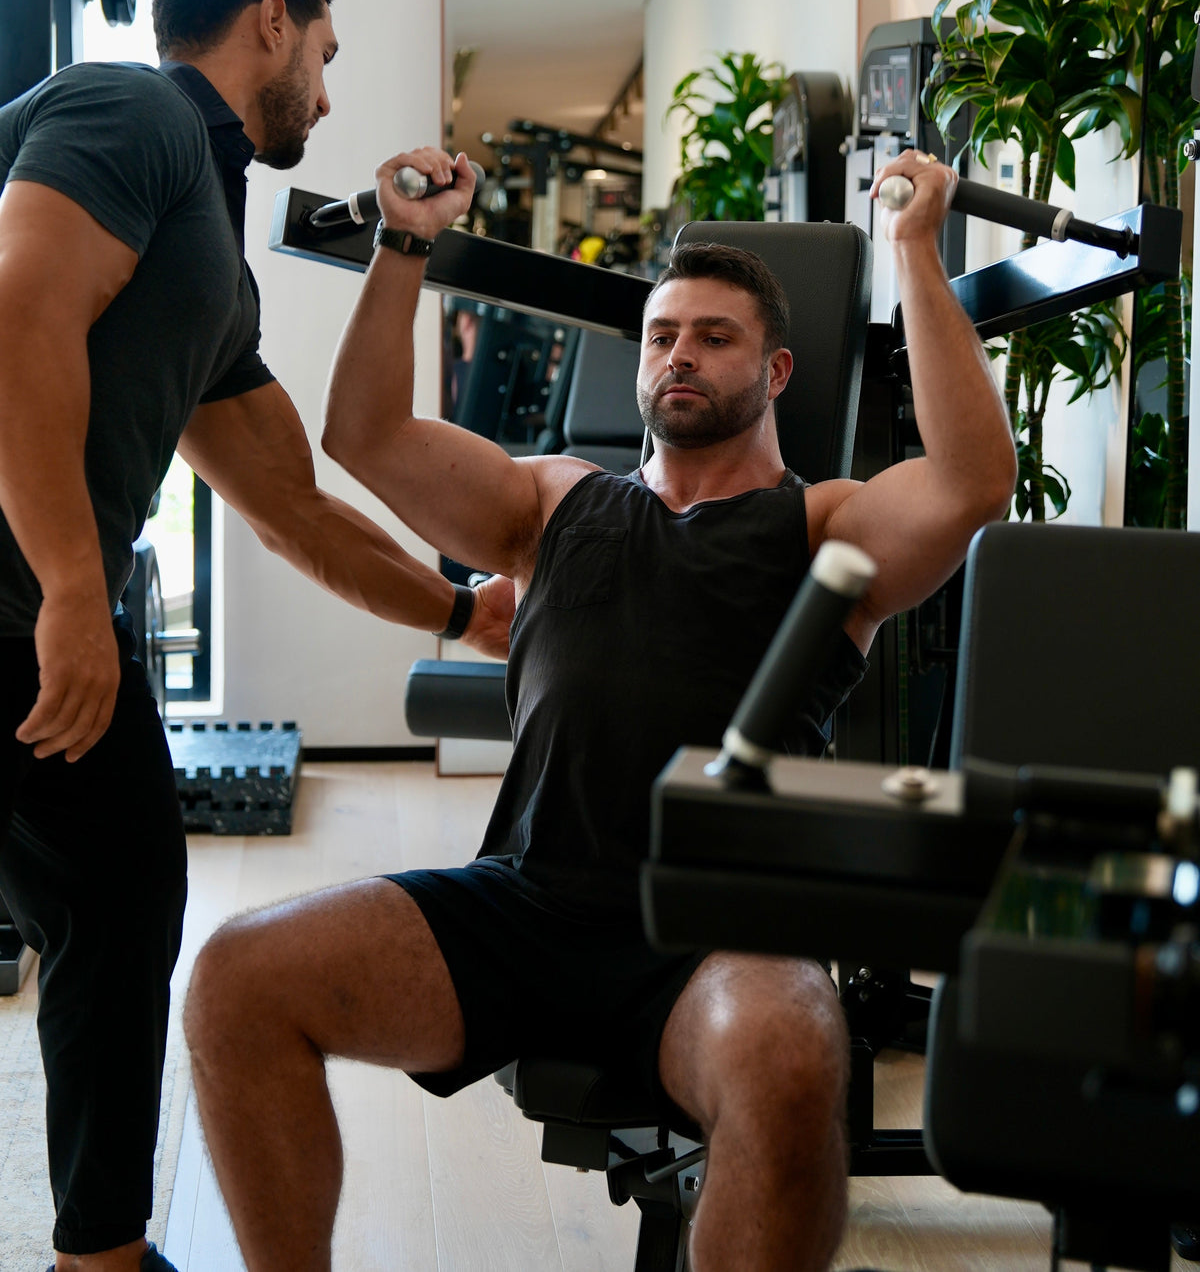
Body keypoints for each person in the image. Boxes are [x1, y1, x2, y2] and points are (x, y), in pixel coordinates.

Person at [183, 143, 1017, 1272]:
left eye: (713, 337)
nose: (680, 353)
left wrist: (914, 245)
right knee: (236, 978)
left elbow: (970, 481)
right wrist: (402, 241)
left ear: (775, 373)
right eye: (664, 334)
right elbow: (367, 438)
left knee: (794, 1057)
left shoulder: (823, 531)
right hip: (527, 901)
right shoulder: (553, 501)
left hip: (716, 940)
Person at [0, 0, 509, 1272]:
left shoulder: (206, 263)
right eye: (327, 57)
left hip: (29, 610)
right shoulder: (132, 110)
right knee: (114, 898)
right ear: (271, 23)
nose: (329, 98)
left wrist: (462, 613)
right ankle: (101, 1254)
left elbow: (290, 505)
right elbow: (17, 320)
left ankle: (98, 1246)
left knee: (111, 900)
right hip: (20, 602)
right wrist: (69, 588)